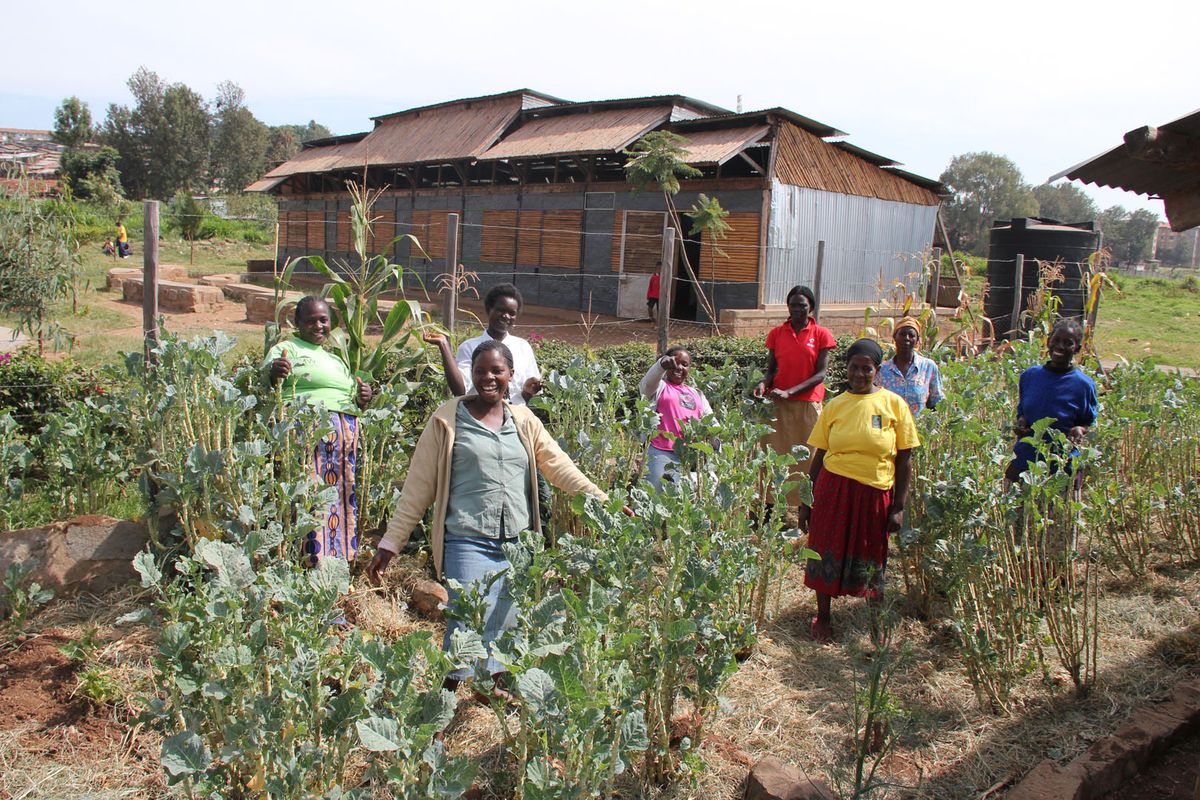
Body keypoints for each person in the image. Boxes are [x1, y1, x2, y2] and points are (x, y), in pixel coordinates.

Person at [367, 340, 608, 693]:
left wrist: (601, 500)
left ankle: (491, 690)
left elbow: (559, 467)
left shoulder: (524, 421)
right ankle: (443, 701)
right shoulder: (447, 420)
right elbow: (417, 488)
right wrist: (390, 543)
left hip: (517, 542)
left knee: (506, 621)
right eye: (480, 371)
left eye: (497, 371)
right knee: (465, 623)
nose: (488, 378)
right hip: (467, 538)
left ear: (511, 374)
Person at [799, 339, 919, 642]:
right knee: (825, 549)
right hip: (833, 490)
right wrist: (806, 500)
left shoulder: (894, 405)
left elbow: (904, 459)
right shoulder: (835, 406)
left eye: (867, 368)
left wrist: (898, 506)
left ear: (877, 370)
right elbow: (820, 455)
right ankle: (823, 618)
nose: (859, 374)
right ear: (847, 368)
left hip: (874, 492)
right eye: (854, 367)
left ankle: (877, 626)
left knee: (871, 556)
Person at [265, 296, 373, 565]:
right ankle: (308, 559)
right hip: (307, 429)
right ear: (297, 323)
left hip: (343, 434)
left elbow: (352, 396)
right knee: (310, 492)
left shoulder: (336, 359)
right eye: (310, 321)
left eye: (323, 320)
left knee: (341, 492)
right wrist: (274, 373)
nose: (318, 326)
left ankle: (339, 558)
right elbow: (266, 382)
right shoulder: (286, 348)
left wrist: (363, 397)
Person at [753, 285, 837, 510]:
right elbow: (771, 370)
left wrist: (790, 391)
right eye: (793, 305)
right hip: (778, 406)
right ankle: (768, 509)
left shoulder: (821, 334)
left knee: (807, 460)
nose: (797, 309)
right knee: (773, 458)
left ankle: (805, 510)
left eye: (802, 305)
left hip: (807, 405)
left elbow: (821, 374)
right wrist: (763, 384)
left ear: (811, 307)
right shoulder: (777, 334)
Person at [1005, 318, 1097, 487]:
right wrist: (1021, 422)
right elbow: (1023, 412)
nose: (1060, 346)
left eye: (1068, 343)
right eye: (1056, 340)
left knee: (1058, 503)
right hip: (1026, 461)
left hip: (1062, 466)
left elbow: (1087, 421)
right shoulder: (1030, 376)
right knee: (1015, 499)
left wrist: (1080, 429)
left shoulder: (1083, 385)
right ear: (1048, 341)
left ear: (1077, 349)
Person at [425, 283, 543, 405]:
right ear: (489, 309)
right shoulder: (470, 347)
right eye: (500, 310)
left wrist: (528, 391)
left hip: (516, 414)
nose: (506, 316)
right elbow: (460, 390)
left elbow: (529, 397)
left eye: (512, 313)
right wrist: (444, 345)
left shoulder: (523, 347)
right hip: (479, 414)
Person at [639, 346, 713, 490]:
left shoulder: (696, 393)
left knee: (689, 495)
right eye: (675, 363)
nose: (679, 368)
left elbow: (709, 419)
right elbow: (646, 384)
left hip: (691, 454)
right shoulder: (659, 387)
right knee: (656, 493)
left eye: (684, 364)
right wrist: (660, 365)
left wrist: (715, 438)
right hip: (661, 450)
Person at [875, 316, 944, 417]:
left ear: (917, 340)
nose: (906, 338)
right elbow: (875, 406)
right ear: (894, 337)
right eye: (902, 334)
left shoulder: (928, 367)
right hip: (891, 426)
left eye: (911, 335)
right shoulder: (882, 370)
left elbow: (937, 403)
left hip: (918, 426)